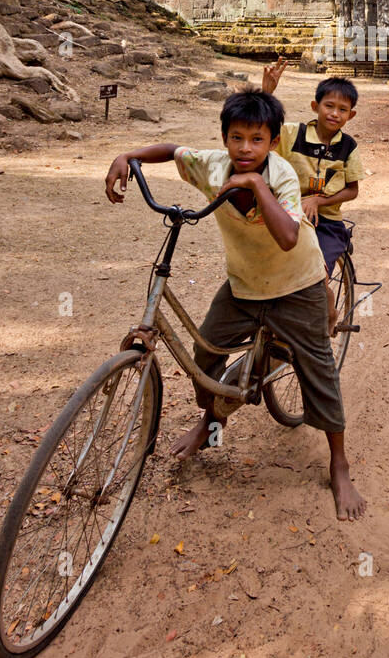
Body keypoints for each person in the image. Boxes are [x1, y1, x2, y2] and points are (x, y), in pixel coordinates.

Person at [103, 89, 366, 521]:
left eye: (258, 139)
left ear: (272, 141)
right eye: (237, 137)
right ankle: (213, 420)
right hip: (245, 283)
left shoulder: (280, 175)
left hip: (297, 282)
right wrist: (127, 154)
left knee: (317, 369)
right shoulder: (212, 165)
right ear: (225, 138)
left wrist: (258, 184)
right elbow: (172, 150)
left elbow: (286, 238)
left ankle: (339, 465)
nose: (246, 148)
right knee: (205, 350)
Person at [261, 59, 364, 334]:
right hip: (287, 215)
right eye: (329, 106)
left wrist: (319, 200)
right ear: (315, 107)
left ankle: (329, 307)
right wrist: (267, 93)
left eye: (342, 110)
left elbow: (352, 190)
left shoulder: (348, 147)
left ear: (350, 116)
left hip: (326, 223)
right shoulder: (294, 135)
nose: (334, 114)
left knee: (316, 276)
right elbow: (262, 130)